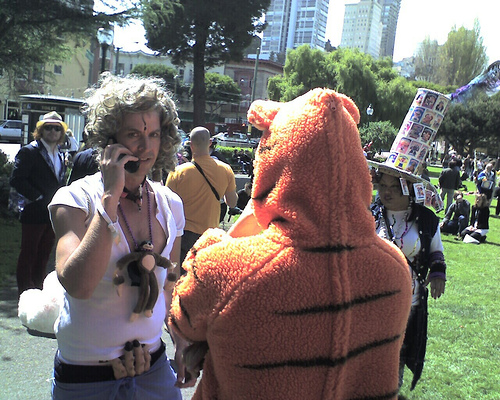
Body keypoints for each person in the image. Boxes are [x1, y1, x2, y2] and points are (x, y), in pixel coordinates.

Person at [169, 89, 412, 399]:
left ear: (272, 163)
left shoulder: (224, 267)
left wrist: (232, 230)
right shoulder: (395, 269)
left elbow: (181, 321)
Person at [48, 74, 195, 399]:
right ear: (110, 138)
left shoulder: (171, 204)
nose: (145, 147)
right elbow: (79, 285)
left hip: (153, 368)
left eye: (153, 134)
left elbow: (169, 287)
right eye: (133, 134)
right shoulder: (75, 200)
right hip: (85, 376)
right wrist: (110, 198)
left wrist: (182, 340)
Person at [370, 170, 446, 391]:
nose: (386, 192)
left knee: (397, 358)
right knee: (369, 356)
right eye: (382, 185)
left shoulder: (426, 219)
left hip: (408, 302)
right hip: (372, 300)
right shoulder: (370, 213)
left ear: (408, 188)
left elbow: (436, 251)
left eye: (394, 187)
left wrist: (437, 273)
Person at [10, 111, 68, 296]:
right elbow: (17, 179)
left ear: (61, 132)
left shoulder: (60, 154)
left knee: (44, 255)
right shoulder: (29, 151)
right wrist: (38, 198)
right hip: (34, 212)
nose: (52, 131)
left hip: (52, 213)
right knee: (29, 254)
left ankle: (39, 292)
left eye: (57, 128)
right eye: (48, 127)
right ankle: (25, 294)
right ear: (41, 130)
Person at [166, 127, 237, 265]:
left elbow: (167, 206)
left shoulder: (178, 172)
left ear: (191, 145)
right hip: (210, 235)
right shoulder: (225, 170)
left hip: (184, 234)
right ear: (210, 143)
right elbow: (232, 203)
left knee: (183, 274)